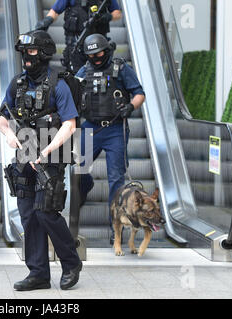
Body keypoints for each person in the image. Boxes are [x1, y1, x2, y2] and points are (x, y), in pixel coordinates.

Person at [0, 30, 82, 291]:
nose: (26, 57)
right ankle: (38, 274)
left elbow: (69, 124)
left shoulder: (59, 84)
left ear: (44, 53)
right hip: (24, 152)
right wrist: (10, 136)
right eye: (23, 52)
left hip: (52, 154)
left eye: (31, 51)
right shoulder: (17, 83)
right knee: (28, 216)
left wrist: (46, 152)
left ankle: (70, 263)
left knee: (46, 211)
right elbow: (1, 117)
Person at [75, 34, 145, 245]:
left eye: (99, 53)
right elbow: (71, 92)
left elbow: (139, 93)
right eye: (91, 55)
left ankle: (115, 227)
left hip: (115, 128)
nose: (95, 58)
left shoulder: (120, 68)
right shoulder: (84, 70)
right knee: (78, 169)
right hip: (90, 127)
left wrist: (131, 106)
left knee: (116, 179)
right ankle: (85, 188)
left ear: (107, 50)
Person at [35, 0, 122, 73]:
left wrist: (108, 17)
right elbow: (55, 11)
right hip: (75, 43)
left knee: (101, 73)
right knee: (75, 76)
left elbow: (117, 13)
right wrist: (47, 21)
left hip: (98, 44)